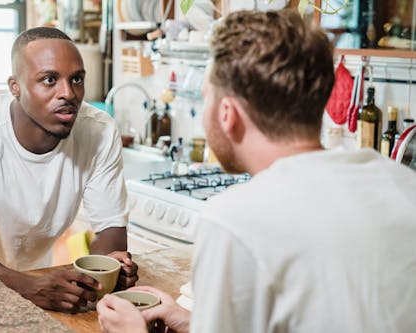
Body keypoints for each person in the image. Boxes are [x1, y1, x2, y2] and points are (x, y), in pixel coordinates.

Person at [97, 9, 416, 333]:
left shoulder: (235, 219)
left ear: (227, 114)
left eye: (207, 97)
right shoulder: (401, 185)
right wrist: (193, 322)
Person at [0, 27, 138, 313]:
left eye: (77, 79)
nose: (68, 93)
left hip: (39, 276)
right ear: (15, 86)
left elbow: (111, 226)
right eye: (49, 79)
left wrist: (105, 273)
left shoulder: (99, 131)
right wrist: (26, 287)